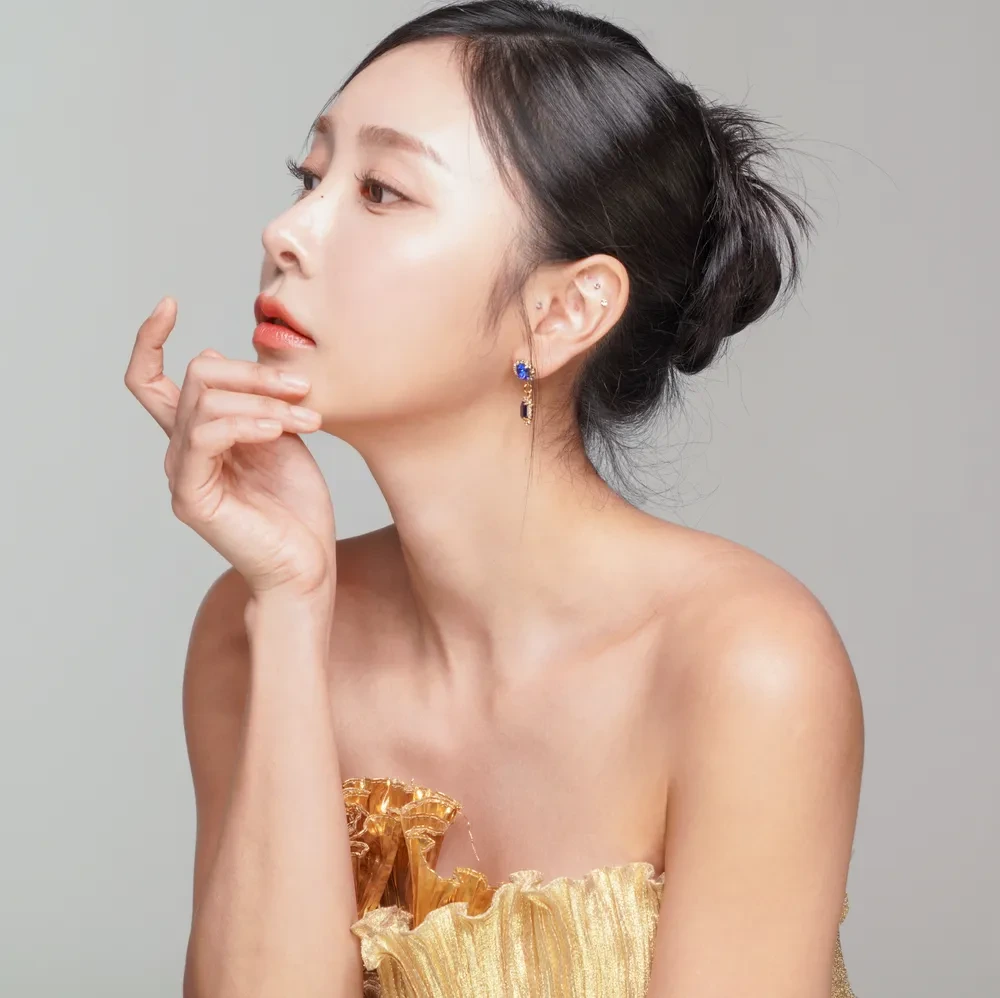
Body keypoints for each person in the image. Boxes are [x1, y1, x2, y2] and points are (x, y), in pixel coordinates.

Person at [124, 2, 863, 995]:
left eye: (381, 191)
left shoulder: (745, 664)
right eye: (309, 176)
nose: (285, 231)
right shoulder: (249, 629)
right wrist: (292, 607)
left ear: (561, 312)